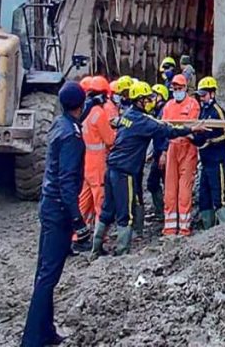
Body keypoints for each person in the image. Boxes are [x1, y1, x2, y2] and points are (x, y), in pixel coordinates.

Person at [91, 81, 202, 256]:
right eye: (147, 98)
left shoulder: (128, 115)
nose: (151, 101)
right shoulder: (144, 121)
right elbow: (168, 130)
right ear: (140, 100)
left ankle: (96, 249)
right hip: (125, 172)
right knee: (125, 213)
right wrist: (191, 129)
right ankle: (122, 251)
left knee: (107, 210)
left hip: (111, 167)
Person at [21, 82, 87, 347]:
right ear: (80, 105)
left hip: (49, 205)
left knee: (44, 272)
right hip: (59, 210)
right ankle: (32, 338)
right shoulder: (72, 136)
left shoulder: (59, 125)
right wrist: (77, 220)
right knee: (48, 276)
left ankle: (45, 329)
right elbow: (67, 181)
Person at [76, 76, 116, 242]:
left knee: (83, 201)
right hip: (97, 164)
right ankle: (99, 239)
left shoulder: (82, 112)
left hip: (84, 162)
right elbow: (110, 140)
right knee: (101, 202)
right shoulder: (98, 113)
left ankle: (77, 235)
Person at [161, 74, 201, 236]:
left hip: (188, 147)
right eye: (175, 88)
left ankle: (184, 228)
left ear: (185, 88)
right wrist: (163, 151)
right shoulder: (168, 106)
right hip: (172, 147)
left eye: (179, 88)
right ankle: (170, 228)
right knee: (170, 190)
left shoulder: (192, 104)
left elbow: (191, 126)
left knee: (184, 190)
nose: (177, 91)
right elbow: (164, 129)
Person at [192, 76, 225, 228]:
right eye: (200, 95)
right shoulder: (203, 111)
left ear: (212, 93)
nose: (201, 98)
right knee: (204, 196)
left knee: (219, 196)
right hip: (206, 161)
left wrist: (211, 141)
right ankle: (207, 228)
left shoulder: (218, 112)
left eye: (204, 95)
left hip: (217, 161)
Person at [145, 84, 170, 221]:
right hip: (158, 153)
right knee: (152, 183)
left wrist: (164, 152)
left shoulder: (164, 112)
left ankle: (167, 212)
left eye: (154, 96)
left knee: (166, 183)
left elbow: (167, 134)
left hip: (163, 154)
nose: (151, 99)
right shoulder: (157, 112)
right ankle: (161, 212)